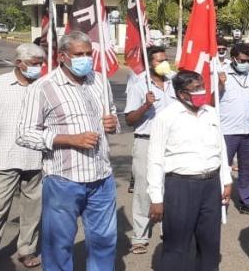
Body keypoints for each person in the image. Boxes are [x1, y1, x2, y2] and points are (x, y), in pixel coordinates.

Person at [16, 31, 119, 271]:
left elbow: (111, 112)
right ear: (62, 56)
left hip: (101, 178)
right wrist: (69, 139)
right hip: (64, 179)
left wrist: (112, 123)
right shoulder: (43, 87)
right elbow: (24, 133)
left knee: (104, 242)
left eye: (88, 54)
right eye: (79, 54)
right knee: (58, 245)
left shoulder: (99, 81)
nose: (85, 59)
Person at [146, 70, 233, 270]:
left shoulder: (210, 112)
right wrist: (156, 198)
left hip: (210, 186)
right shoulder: (166, 117)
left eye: (202, 86)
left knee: (210, 244)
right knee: (177, 246)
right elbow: (155, 159)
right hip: (180, 187)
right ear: (181, 93)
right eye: (195, 89)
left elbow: (221, 148)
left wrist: (226, 179)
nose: (201, 91)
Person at [0, 44, 45, 268]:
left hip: (36, 158)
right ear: (18, 63)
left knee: (33, 210)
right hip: (3, 158)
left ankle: (26, 250)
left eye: (41, 63)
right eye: (33, 64)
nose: (38, 68)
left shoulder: (43, 86)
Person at [123, 45, 177, 254]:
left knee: (170, 186)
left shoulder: (174, 81)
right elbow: (129, 119)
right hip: (147, 141)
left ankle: (168, 228)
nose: (163, 63)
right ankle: (140, 235)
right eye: (158, 60)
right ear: (149, 63)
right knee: (144, 189)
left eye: (165, 59)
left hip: (172, 142)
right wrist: (145, 106)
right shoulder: (138, 84)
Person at [218, 43, 249, 216]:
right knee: (223, 167)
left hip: (248, 131)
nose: (245, 63)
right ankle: (219, 202)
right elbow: (212, 99)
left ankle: (247, 201)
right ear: (234, 58)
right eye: (243, 60)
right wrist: (220, 84)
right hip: (227, 131)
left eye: (248, 60)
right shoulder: (222, 75)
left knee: (247, 168)